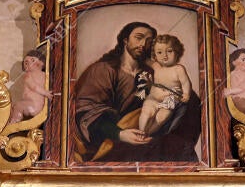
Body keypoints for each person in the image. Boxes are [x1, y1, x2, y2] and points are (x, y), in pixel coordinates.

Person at [74, 22, 201, 162]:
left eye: (149, 41)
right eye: (139, 37)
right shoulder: (103, 70)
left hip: (148, 137)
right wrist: (119, 134)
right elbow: (87, 111)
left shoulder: (153, 72)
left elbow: (180, 100)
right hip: (108, 140)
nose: (143, 44)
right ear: (125, 40)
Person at [139, 35, 192, 136]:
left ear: (177, 52)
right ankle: (141, 131)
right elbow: (144, 60)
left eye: (169, 51)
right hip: (153, 98)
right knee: (146, 112)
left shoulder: (178, 69)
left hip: (170, 100)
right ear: (154, 55)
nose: (165, 56)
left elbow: (185, 83)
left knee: (162, 117)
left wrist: (186, 93)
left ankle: (148, 133)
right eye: (159, 52)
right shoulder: (156, 66)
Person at [9, 49, 53, 123]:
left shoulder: (28, 75)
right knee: (14, 107)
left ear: (42, 63)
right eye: (26, 63)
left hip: (32, 106)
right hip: (40, 107)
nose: (29, 64)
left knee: (18, 106)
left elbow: (34, 86)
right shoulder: (45, 75)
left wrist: (46, 93)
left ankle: (14, 122)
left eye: (32, 60)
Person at [223, 48, 245, 116]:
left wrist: (230, 91)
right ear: (233, 61)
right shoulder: (232, 73)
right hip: (238, 101)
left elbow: (242, 87)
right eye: (243, 59)